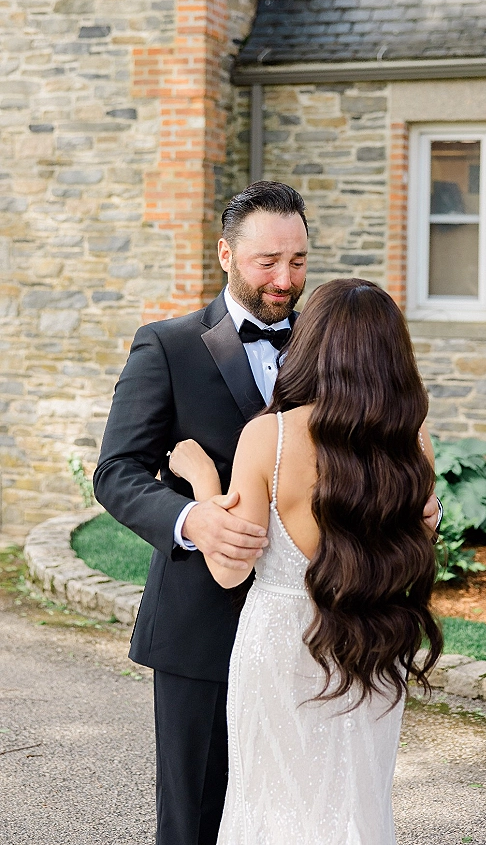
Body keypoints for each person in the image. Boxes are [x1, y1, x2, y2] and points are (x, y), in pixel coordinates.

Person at [93, 182, 442, 845]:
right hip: (202, 629)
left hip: (333, 628)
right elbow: (116, 473)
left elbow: (389, 470)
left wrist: (425, 506)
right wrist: (193, 520)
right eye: (267, 262)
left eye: (300, 261)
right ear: (226, 254)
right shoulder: (166, 346)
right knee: (196, 820)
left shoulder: (339, 341)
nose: (286, 279)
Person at [169, 278, 444, 844]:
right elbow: (418, 540)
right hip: (374, 647)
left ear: (311, 345)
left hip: (279, 647)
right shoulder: (412, 438)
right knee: (356, 806)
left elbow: (229, 567)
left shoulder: (269, 436)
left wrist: (199, 478)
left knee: (269, 807)